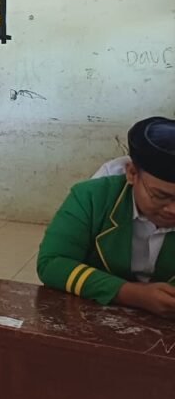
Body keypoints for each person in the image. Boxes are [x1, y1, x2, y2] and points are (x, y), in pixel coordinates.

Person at [38, 117, 175, 317]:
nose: (173, 210)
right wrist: (130, 293)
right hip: (92, 314)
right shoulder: (92, 197)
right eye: (161, 195)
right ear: (132, 173)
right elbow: (51, 263)